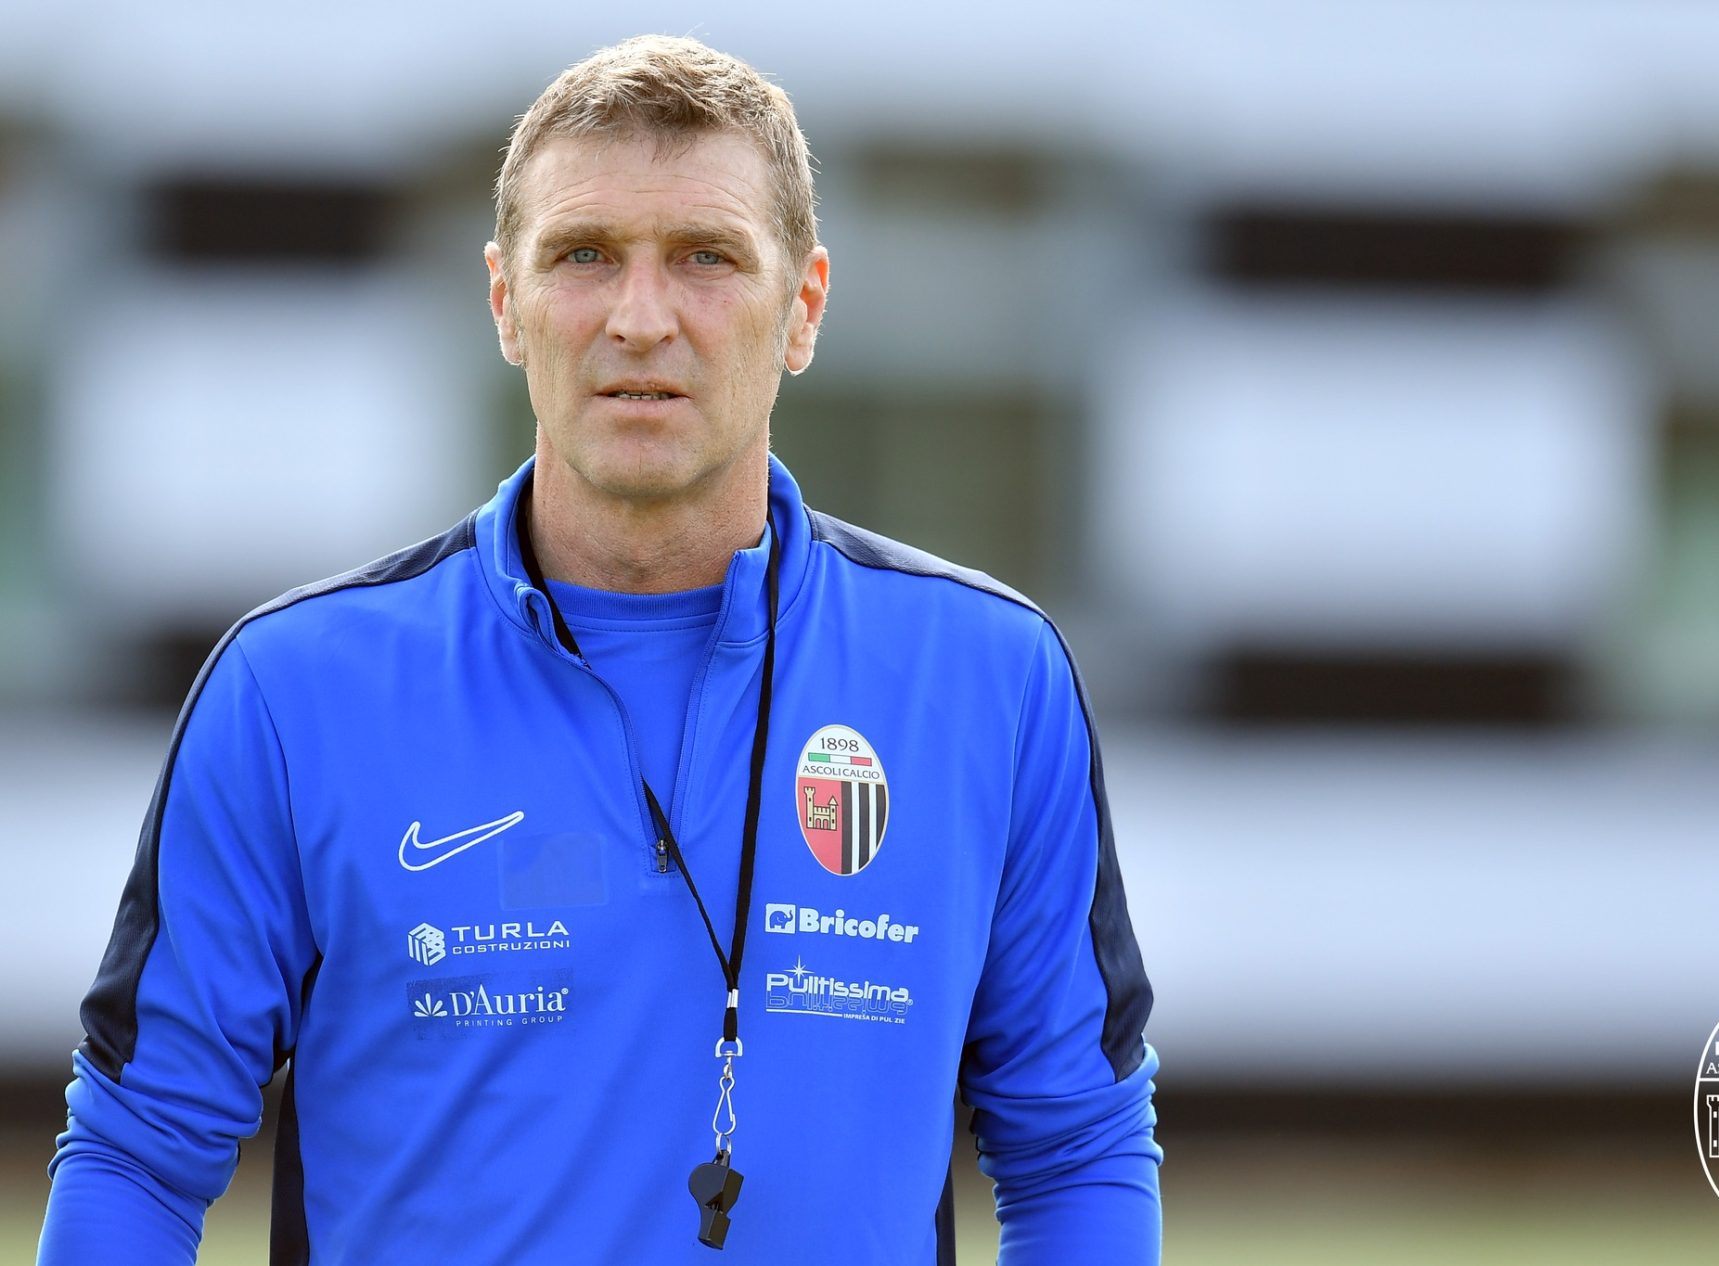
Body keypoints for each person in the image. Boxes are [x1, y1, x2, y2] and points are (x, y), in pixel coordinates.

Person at [39, 34, 1160, 1265]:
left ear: (803, 307)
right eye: (583, 255)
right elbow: (139, 1150)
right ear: (505, 303)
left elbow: (1076, 1147)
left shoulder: (991, 680)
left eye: (706, 257)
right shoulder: (291, 693)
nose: (639, 318)